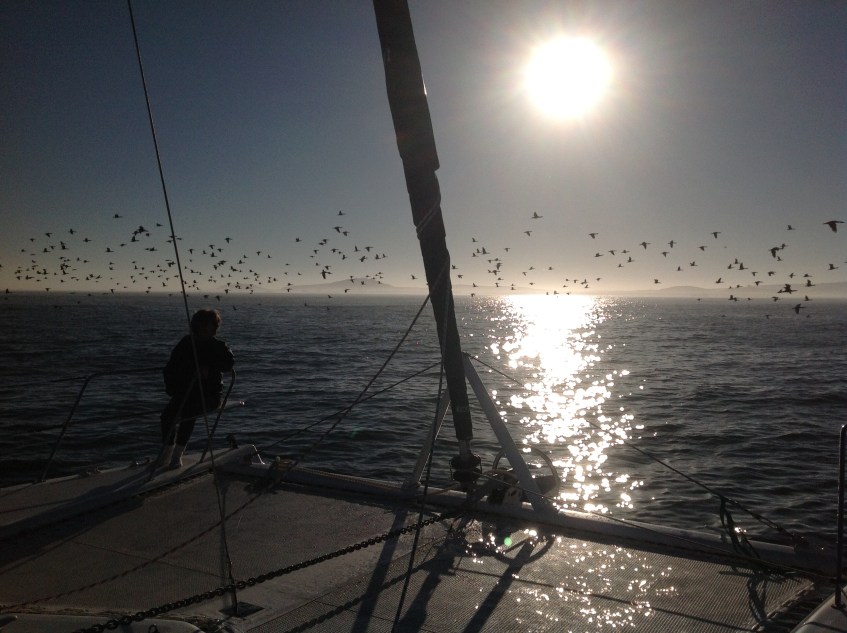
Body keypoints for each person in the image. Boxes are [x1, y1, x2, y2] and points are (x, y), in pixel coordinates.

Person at [157, 309, 235, 468]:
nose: (210, 329)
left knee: (189, 413)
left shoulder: (219, 346)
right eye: (205, 325)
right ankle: (167, 451)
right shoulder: (186, 343)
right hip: (185, 392)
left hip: (209, 395)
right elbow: (171, 367)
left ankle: (177, 455)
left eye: (212, 325)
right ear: (197, 326)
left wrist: (210, 367)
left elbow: (229, 363)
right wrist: (172, 388)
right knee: (167, 416)